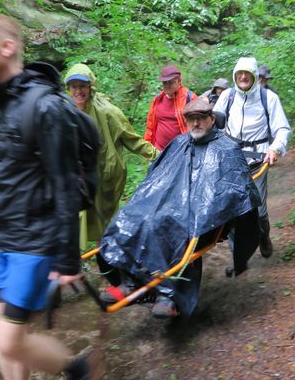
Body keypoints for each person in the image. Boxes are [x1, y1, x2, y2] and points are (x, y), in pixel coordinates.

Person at [0, 14, 98, 380]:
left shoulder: (47, 108)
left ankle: (77, 367)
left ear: (6, 48)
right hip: (2, 240)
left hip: (36, 242)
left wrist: (68, 259)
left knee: (7, 341)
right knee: (2, 333)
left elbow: (65, 186)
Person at [99, 98, 262, 318]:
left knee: (170, 227)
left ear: (211, 119)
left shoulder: (227, 149)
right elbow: (155, 179)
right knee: (129, 217)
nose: (196, 124)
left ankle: (170, 294)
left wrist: (204, 209)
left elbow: (236, 191)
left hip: (202, 215)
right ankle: (129, 282)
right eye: (191, 119)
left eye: (201, 119)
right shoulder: (179, 144)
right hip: (171, 205)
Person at [64, 63, 159, 249]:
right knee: (78, 220)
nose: (78, 91)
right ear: (68, 89)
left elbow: (133, 140)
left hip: (104, 178)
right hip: (78, 178)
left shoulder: (108, 112)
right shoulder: (66, 112)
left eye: (82, 86)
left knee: (104, 223)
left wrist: (160, 157)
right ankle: (79, 262)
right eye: (74, 86)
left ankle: (109, 259)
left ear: (91, 86)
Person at [214, 56, 291, 259]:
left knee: (258, 211)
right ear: (235, 75)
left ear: (254, 76)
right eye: (239, 73)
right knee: (231, 208)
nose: (242, 77)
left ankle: (264, 235)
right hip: (229, 160)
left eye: (247, 73)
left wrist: (275, 148)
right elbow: (214, 123)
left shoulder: (269, 98)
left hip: (258, 161)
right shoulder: (227, 96)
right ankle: (238, 249)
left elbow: (282, 128)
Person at [144, 64, 197, 150]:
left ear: (179, 81)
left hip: (181, 151)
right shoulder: (157, 100)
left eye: (171, 82)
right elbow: (150, 126)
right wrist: (147, 147)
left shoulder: (189, 98)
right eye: (165, 82)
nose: (167, 85)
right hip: (158, 151)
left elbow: (197, 125)